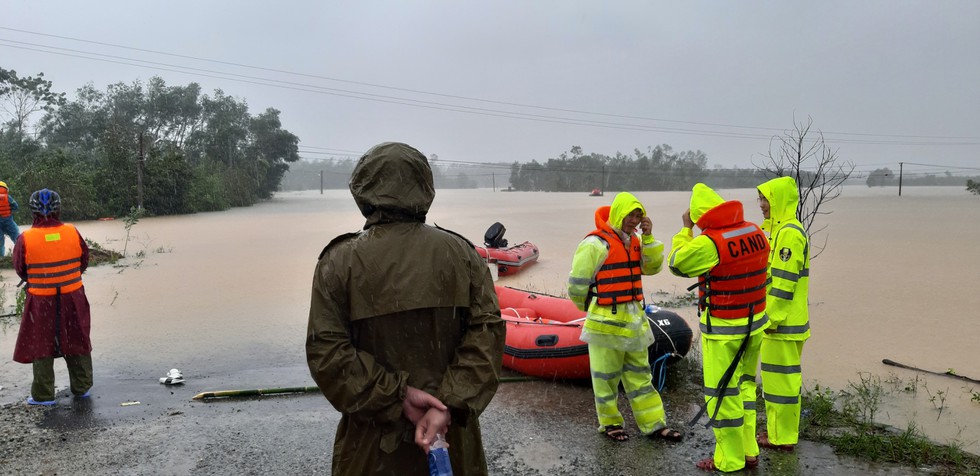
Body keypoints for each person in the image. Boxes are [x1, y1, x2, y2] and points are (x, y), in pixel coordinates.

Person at [305, 142, 505, 475]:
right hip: (451, 445)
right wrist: (447, 406)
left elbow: (327, 354)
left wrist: (398, 397)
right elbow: (488, 338)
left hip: (371, 454)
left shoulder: (338, 263)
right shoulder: (463, 255)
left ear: (362, 190)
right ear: (425, 188)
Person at [667, 183, 770, 472]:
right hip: (755, 324)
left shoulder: (709, 242)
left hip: (725, 329)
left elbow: (676, 263)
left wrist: (686, 230)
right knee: (746, 388)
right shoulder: (754, 230)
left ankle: (730, 459)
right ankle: (749, 451)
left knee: (722, 395)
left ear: (701, 215)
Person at [567, 191, 683, 443]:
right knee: (605, 378)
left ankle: (654, 425)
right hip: (605, 324)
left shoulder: (635, 242)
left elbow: (652, 267)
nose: (634, 220)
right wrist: (590, 307)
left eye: (638, 215)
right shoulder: (595, 244)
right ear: (619, 213)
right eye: (630, 215)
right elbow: (576, 284)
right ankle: (610, 424)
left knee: (641, 376)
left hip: (633, 323)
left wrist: (649, 236)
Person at [13, 189, 93, 405]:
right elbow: (84, 260)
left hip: (40, 302)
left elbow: (20, 268)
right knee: (77, 339)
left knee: (41, 344)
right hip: (73, 299)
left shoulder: (25, 238)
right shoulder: (72, 231)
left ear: (32, 211)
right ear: (58, 209)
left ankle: (43, 395)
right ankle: (82, 387)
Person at [756, 176, 811, 452]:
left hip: (782, 325)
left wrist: (770, 319)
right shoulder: (779, 231)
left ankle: (782, 438)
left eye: (765, 199)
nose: (762, 205)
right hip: (782, 324)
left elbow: (783, 282)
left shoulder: (789, 233)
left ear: (778, 199)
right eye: (760, 199)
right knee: (776, 383)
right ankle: (778, 433)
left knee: (783, 385)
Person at [0, 181, 21, 257]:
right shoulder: (8, 197)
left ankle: (1, 259)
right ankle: (22, 255)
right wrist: (9, 212)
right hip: (8, 220)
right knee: (17, 237)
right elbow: (16, 206)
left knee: (0, 243)